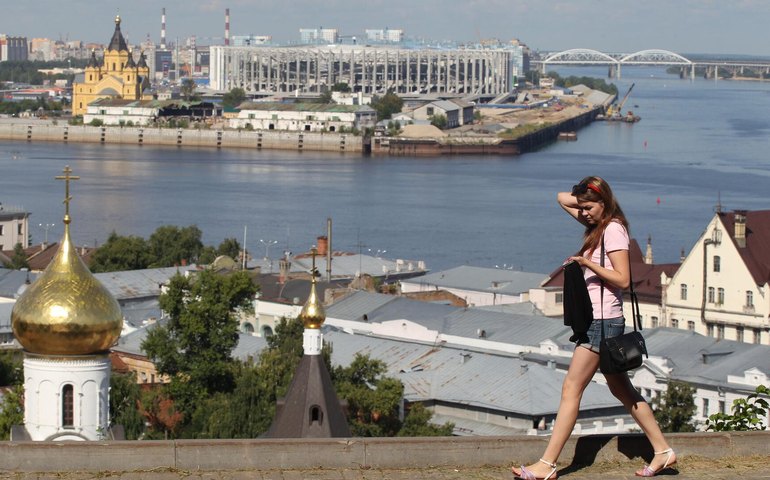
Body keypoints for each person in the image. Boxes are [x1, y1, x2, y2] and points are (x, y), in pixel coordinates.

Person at [511, 176, 675, 479]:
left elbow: (623, 279)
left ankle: (547, 464)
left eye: (588, 207)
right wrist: (588, 196)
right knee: (622, 389)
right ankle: (663, 451)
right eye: (582, 208)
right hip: (600, 321)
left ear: (604, 204)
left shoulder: (613, 231)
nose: (582, 213)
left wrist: (588, 265)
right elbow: (562, 197)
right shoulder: (599, 225)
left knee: (571, 389)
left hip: (602, 323)